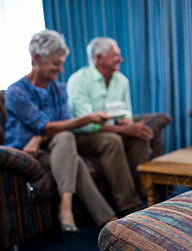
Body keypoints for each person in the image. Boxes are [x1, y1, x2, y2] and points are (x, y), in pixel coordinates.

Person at [4, 29, 117, 232]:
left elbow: (60, 125)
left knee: (66, 140)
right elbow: (47, 126)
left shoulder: (58, 89)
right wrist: (87, 118)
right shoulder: (16, 92)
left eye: (62, 62)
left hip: (55, 150)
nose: (61, 69)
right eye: (56, 63)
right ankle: (109, 222)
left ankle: (70, 209)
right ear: (37, 58)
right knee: (73, 156)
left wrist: (39, 137)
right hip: (25, 155)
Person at [67, 37, 152, 216]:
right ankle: (130, 205)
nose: (120, 59)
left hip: (112, 130)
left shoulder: (121, 80)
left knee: (139, 138)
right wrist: (123, 130)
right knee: (112, 141)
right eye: (115, 55)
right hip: (83, 135)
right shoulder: (78, 80)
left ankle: (146, 195)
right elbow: (87, 123)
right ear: (99, 58)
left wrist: (127, 121)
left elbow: (126, 110)